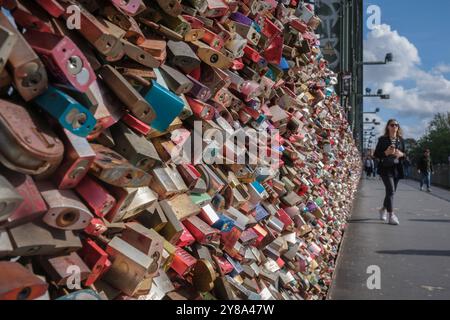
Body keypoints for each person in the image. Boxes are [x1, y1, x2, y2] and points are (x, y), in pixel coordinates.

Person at [374, 119, 406, 225]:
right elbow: (376, 154)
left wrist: (401, 154)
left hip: (397, 169)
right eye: (392, 125)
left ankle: (383, 209)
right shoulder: (382, 140)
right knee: (391, 190)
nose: (394, 127)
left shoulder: (401, 140)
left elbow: (405, 154)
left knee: (391, 192)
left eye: (396, 125)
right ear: (388, 127)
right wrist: (386, 152)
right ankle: (391, 215)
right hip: (385, 168)